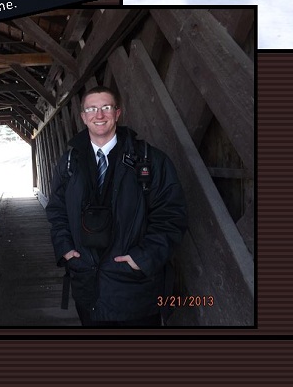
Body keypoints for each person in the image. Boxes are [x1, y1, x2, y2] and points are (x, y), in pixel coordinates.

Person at [46, 86, 187, 326]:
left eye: (106, 107)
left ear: (118, 113)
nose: (99, 115)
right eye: (91, 108)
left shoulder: (151, 160)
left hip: (135, 290)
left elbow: (172, 215)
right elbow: (57, 210)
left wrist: (142, 258)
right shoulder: (69, 163)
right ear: (83, 117)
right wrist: (66, 249)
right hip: (87, 286)